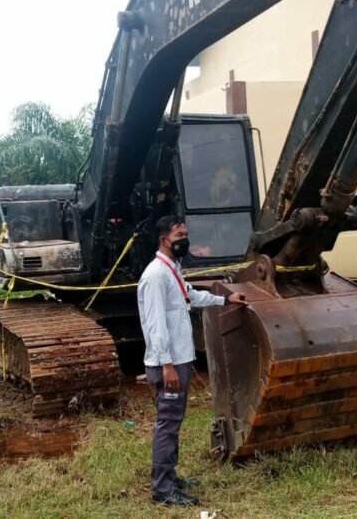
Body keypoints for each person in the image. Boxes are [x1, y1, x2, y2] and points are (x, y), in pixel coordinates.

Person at [137, 215, 247, 506]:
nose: (184, 240)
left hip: (178, 360)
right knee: (168, 424)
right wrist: (167, 366)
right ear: (164, 240)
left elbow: (191, 296)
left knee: (173, 422)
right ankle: (162, 490)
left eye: (186, 234)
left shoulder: (171, 270)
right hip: (169, 364)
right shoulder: (156, 276)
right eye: (179, 236)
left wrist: (225, 300)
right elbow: (156, 325)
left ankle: (170, 478)